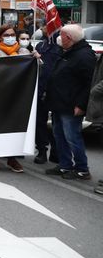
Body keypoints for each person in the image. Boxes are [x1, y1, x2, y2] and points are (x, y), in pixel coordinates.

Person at [43, 24, 96, 181]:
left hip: (72, 105)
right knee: (59, 135)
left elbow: (89, 84)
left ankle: (82, 169)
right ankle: (65, 165)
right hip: (60, 103)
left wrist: (81, 105)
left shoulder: (84, 56)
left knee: (72, 137)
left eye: (62, 35)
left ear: (69, 38)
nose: (59, 38)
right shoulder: (69, 52)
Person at [0, 24, 29, 173]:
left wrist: (35, 58)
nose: (10, 38)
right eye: (6, 35)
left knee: (15, 127)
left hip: (18, 95)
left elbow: (35, 70)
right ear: (0, 37)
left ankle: (12, 159)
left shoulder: (24, 51)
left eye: (12, 35)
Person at [32, 24, 61, 164]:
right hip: (40, 89)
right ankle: (42, 150)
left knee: (56, 124)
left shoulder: (61, 46)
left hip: (55, 90)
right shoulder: (40, 46)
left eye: (46, 25)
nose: (44, 28)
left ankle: (56, 151)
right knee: (40, 122)